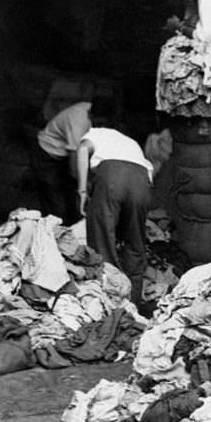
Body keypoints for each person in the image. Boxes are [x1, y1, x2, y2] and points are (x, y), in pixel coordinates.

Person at [76, 118, 157, 306]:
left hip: (113, 177)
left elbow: (81, 151)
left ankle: (108, 302)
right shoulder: (130, 143)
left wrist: (81, 191)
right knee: (135, 243)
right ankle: (133, 305)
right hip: (142, 182)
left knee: (102, 240)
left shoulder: (94, 134)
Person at [32, 98, 91, 226]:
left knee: (67, 195)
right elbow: (75, 163)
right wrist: (82, 186)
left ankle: (67, 225)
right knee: (54, 198)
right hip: (47, 152)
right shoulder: (78, 121)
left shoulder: (90, 108)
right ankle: (55, 232)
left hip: (63, 155)